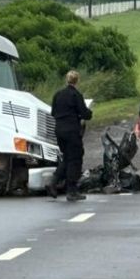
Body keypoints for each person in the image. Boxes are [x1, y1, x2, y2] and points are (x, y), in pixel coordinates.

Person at [48, 70, 93, 201]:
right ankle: (71, 190)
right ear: (77, 81)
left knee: (67, 158)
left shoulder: (58, 94)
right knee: (75, 159)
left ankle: (53, 183)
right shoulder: (76, 95)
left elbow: (53, 113)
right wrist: (89, 113)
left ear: (66, 80)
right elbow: (85, 114)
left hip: (59, 130)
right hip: (72, 130)